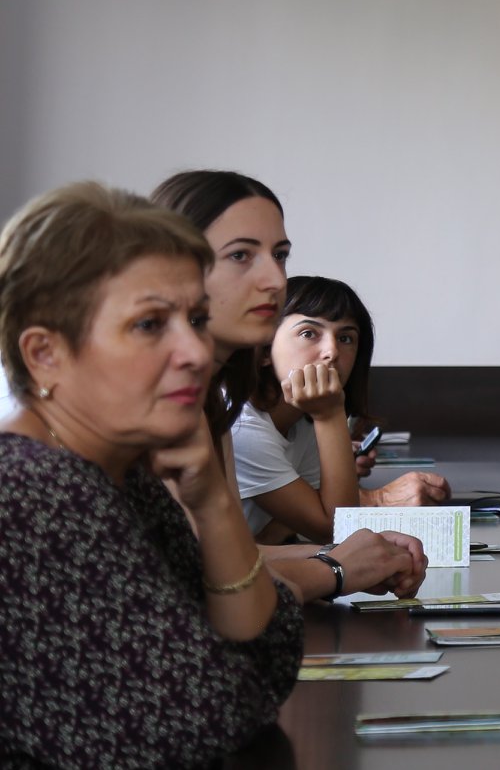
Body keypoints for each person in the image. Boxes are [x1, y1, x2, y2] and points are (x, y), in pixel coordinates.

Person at [0, 182, 303, 766]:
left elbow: (268, 655)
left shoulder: (120, 475)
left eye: (196, 318)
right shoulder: (35, 491)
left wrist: (213, 502)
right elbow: (200, 720)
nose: (195, 351)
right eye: (148, 325)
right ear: (44, 354)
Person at [151, 170, 425, 602]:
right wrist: (336, 567)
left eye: (279, 255)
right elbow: (198, 584)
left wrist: (359, 555)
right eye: (241, 255)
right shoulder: (165, 401)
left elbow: (227, 559)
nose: (276, 280)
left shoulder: (212, 404)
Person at [232, 276, 449, 543]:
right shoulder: (242, 427)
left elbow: (323, 521)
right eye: (308, 333)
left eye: (346, 338)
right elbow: (334, 527)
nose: (332, 351)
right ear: (265, 349)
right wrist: (330, 415)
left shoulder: (303, 419)